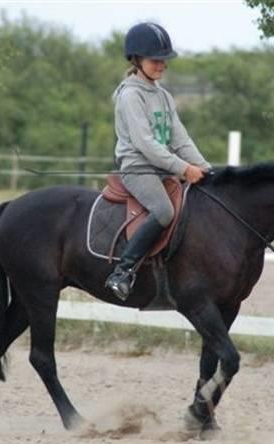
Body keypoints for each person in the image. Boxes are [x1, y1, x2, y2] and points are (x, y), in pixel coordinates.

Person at [105, 22, 212, 301]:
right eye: (156, 60)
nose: (162, 65)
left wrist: (206, 169)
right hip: (138, 168)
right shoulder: (130, 95)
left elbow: (180, 140)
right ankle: (123, 271)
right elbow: (146, 145)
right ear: (137, 60)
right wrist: (184, 169)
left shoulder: (163, 96)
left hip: (163, 168)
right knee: (164, 211)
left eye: (164, 60)